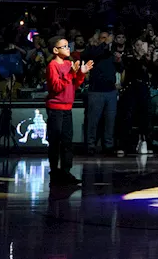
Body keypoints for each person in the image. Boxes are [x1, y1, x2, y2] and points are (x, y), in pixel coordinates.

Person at [46, 37, 91, 187]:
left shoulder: (68, 64)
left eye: (67, 46)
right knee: (55, 141)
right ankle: (54, 171)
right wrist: (72, 73)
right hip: (56, 108)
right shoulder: (53, 65)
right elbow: (56, 87)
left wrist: (81, 74)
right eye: (63, 46)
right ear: (55, 50)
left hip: (67, 108)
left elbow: (74, 85)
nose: (67, 48)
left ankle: (66, 171)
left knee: (67, 141)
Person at [81, 31, 119, 155]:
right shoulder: (92, 50)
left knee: (110, 120)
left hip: (111, 91)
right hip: (96, 90)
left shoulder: (111, 52)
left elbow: (119, 68)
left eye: (107, 38)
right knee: (93, 120)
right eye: (103, 38)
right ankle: (90, 145)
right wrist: (104, 44)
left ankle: (108, 146)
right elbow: (89, 55)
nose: (106, 40)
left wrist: (119, 61)